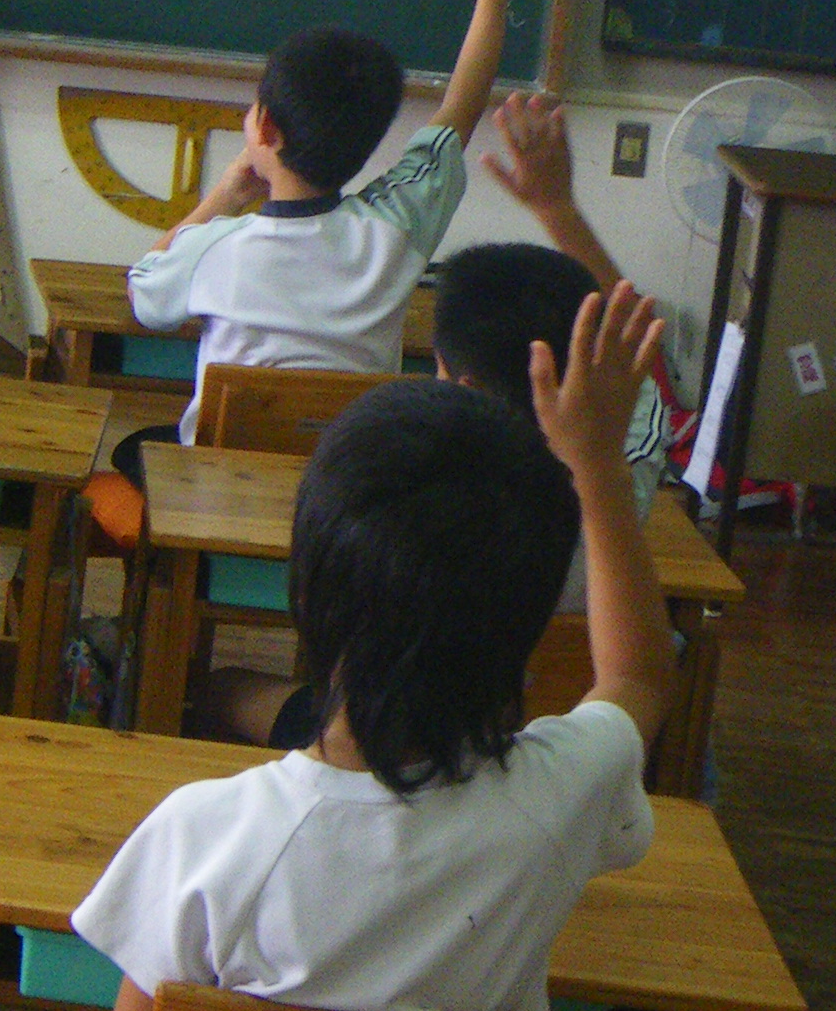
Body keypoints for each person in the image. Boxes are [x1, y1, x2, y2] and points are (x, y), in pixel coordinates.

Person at [0, 286, 671, 1011]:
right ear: (529, 620)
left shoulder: (211, 830)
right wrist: (599, 472)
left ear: (310, 594)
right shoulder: (561, 797)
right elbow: (638, 677)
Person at [199, 91, 675, 746]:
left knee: (218, 690)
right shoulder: (617, 479)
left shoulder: (407, 504)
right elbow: (632, 351)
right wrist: (558, 210)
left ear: (463, 386)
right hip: (549, 739)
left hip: (384, 739)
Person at [125, 0, 562, 447]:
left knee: (136, 445)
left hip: (220, 478)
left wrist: (226, 196)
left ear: (266, 129)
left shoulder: (214, 248)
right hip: (351, 480)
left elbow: (144, 290)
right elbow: (462, 107)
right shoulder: (396, 226)